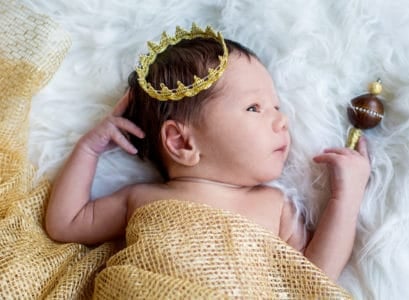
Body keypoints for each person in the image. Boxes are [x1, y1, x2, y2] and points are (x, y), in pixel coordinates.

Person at [45, 25, 370, 282]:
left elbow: (314, 280)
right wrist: (89, 149)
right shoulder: (140, 199)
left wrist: (346, 198)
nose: (282, 120)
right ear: (182, 143)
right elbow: (65, 224)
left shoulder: (275, 207)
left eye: (277, 106)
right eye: (254, 107)